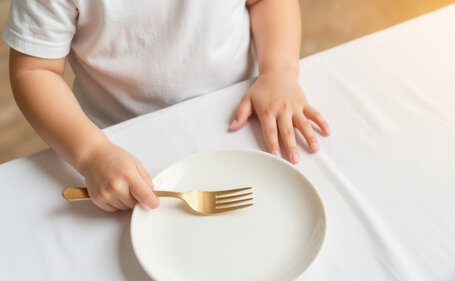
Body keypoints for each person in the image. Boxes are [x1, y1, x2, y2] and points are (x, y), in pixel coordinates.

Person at [4, 0, 331, 212]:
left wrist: (279, 72)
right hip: (119, 145)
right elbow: (35, 71)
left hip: (239, 117)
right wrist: (91, 154)